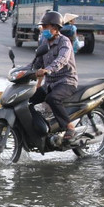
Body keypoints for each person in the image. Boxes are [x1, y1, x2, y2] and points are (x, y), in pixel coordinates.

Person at [29, 11, 79, 140]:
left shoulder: (65, 42)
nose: (43, 29)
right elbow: (37, 62)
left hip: (66, 82)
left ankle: (69, 127)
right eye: (43, 27)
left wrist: (47, 70)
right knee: (28, 99)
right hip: (50, 83)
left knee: (52, 98)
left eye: (46, 27)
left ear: (55, 28)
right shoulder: (44, 41)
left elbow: (62, 59)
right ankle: (41, 127)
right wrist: (25, 72)